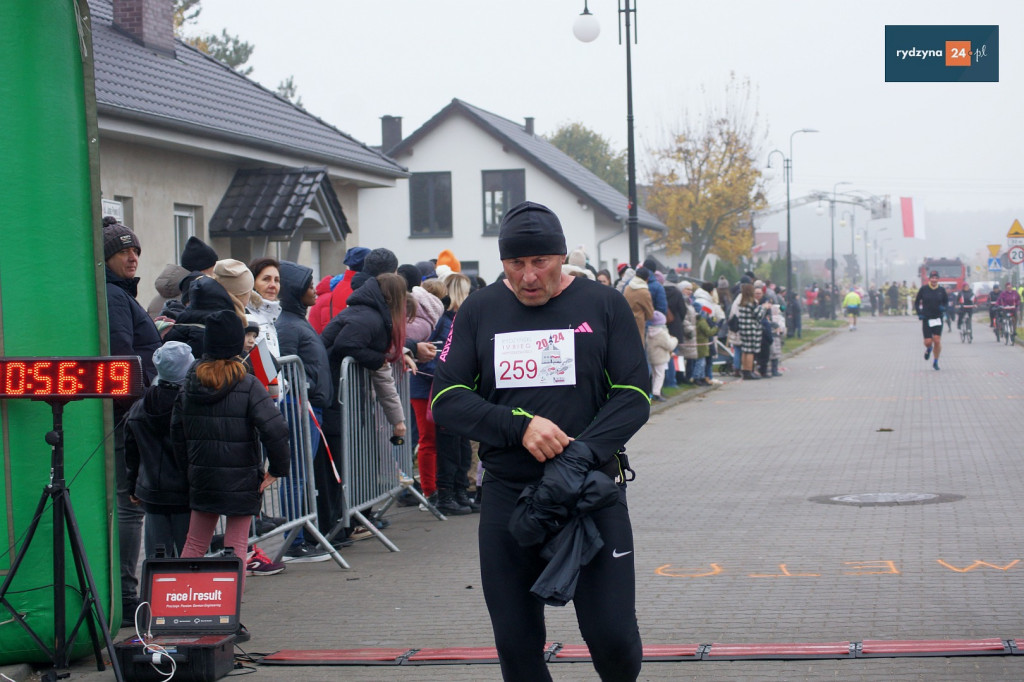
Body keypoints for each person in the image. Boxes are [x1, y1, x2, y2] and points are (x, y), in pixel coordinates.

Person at [431, 201, 649, 681]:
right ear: (502, 263)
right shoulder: (479, 310)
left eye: (540, 262)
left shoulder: (604, 303)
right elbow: (445, 398)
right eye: (516, 264)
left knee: (612, 637)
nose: (528, 276)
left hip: (589, 491)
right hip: (511, 495)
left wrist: (580, 456)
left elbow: (634, 395)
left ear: (561, 257)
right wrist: (519, 424)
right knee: (515, 643)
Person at [172, 311, 290, 611]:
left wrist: (187, 468)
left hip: (202, 476)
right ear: (237, 346)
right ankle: (227, 614)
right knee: (236, 545)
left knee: (195, 543)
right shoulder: (247, 384)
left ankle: (184, 609)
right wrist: (277, 468)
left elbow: (176, 433)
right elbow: (275, 428)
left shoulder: (189, 383)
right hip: (241, 478)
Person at [101, 217, 162, 624]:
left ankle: (126, 591)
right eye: (123, 250)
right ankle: (125, 597)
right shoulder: (113, 297)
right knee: (130, 504)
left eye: (135, 250)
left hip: (130, 411)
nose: (132, 256)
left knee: (130, 504)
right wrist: (139, 406)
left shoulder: (120, 295)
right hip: (128, 415)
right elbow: (122, 355)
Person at [124, 341, 194, 560]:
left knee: (157, 557)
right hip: (186, 492)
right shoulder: (192, 408)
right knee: (190, 556)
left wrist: (132, 485)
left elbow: (131, 451)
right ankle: (188, 593)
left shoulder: (139, 407)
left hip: (152, 491)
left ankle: (155, 593)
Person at [914, 270, 949, 370]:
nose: (934, 280)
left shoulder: (941, 290)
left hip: (938, 318)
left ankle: (936, 361)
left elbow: (946, 302)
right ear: (929, 279)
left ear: (938, 279)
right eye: (932, 278)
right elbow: (917, 302)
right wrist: (919, 313)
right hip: (927, 318)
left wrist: (944, 308)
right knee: (928, 342)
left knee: (937, 340)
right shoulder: (924, 289)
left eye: (936, 278)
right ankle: (929, 349)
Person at [646, 311, 677, 401]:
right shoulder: (661, 333)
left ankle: (653, 392)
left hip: (652, 356)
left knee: (654, 375)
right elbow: (669, 345)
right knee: (660, 375)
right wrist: (675, 339)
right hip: (660, 357)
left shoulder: (650, 330)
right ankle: (657, 393)